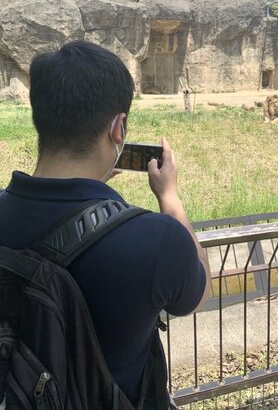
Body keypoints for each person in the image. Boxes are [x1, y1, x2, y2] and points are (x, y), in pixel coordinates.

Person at [0, 41, 211, 408]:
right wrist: (170, 198)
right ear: (118, 128)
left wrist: (93, 197)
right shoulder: (156, 239)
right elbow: (197, 292)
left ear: (38, 116)